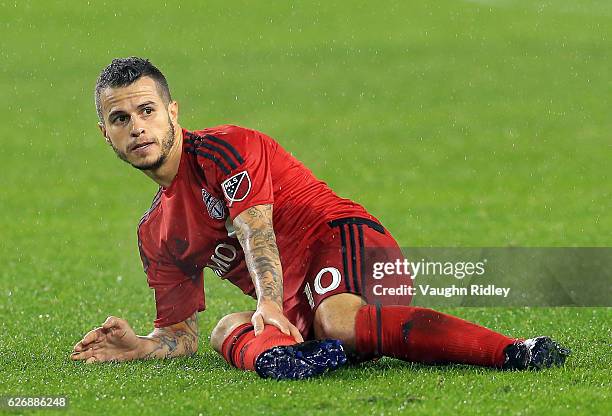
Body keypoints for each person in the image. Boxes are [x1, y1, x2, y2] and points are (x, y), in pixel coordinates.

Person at [70, 57, 570, 379]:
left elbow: (255, 230)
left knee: (335, 320)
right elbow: (182, 334)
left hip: (351, 244)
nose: (137, 127)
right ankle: (291, 361)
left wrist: (268, 303)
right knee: (225, 328)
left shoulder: (225, 149)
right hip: (295, 303)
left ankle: (513, 351)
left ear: (173, 112)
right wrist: (140, 345)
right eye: (121, 119)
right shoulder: (156, 232)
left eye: (147, 110)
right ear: (105, 133)